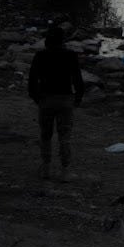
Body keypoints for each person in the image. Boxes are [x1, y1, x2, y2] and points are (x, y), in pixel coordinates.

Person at [29, 24, 85, 181]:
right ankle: (65, 170)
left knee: (45, 135)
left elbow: (32, 80)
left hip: (46, 99)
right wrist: (78, 97)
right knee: (64, 136)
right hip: (65, 99)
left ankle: (46, 168)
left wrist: (36, 98)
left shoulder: (40, 55)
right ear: (62, 40)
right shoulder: (70, 55)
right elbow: (77, 79)